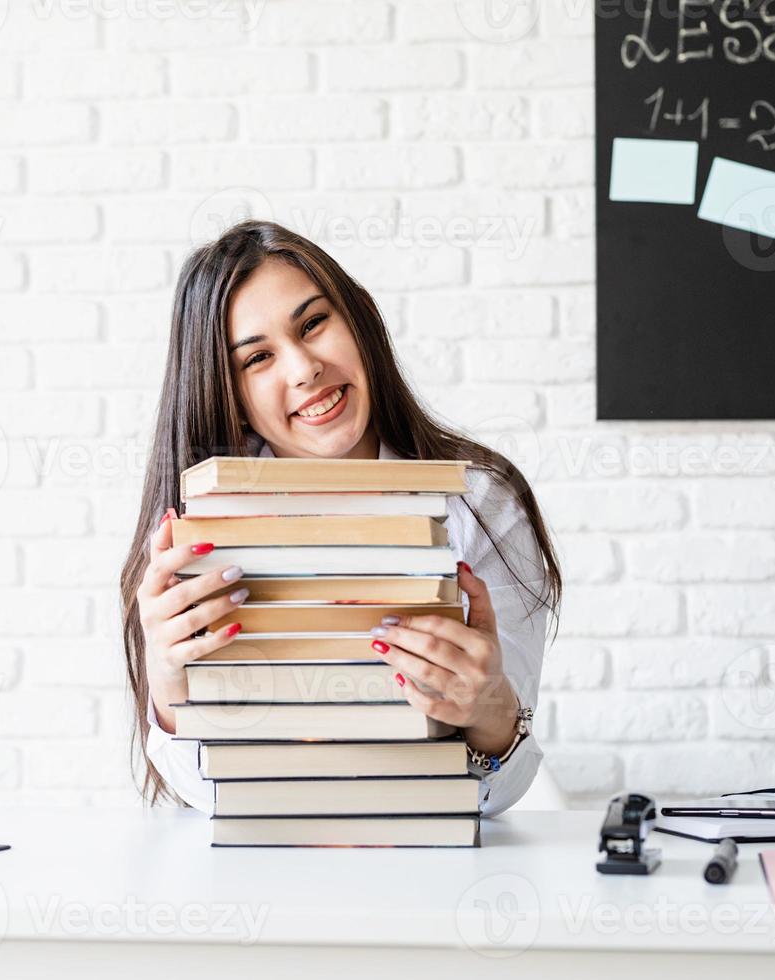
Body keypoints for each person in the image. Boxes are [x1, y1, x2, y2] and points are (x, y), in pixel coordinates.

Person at [118, 220, 564, 815]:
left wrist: (489, 709)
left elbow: (498, 796)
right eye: (257, 358)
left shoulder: (479, 506)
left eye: (312, 324)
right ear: (228, 393)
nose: (304, 369)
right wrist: (171, 684)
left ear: (358, 322)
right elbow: (206, 799)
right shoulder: (199, 534)